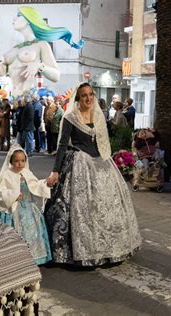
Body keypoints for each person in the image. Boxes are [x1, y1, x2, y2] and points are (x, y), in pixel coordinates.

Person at [45, 83, 141, 266]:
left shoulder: (99, 116)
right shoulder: (71, 118)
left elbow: (104, 141)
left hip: (101, 162)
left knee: (108, 205)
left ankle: (110, 248)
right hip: (79, 163)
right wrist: (55, 171)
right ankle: (81, 250)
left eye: (90, 95)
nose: (88, 98)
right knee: (80, 208)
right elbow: (62, 145)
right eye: (83, 96)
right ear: (78, 98)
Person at [0, 6, 83, 97]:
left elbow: (56, 76)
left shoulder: (41, 44)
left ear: (28, 21)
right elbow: (1, 72)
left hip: (29, 101)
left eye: (18, 16)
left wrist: (39, 66)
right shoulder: (16, 48)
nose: (14, 19)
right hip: (13, 102)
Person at [0, 145, 52, 265]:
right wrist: (13, 195)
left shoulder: (27, 173)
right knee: (18, 232)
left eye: (22, 161)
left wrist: (45, 183)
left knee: (33, 232)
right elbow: (1, 191)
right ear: (11, 161)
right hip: (15, 209)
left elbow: (35, 186)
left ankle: (35, 257)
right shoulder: (7, 174)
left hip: (29, 207)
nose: (20, 163)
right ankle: (19, 258)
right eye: (16, 161)